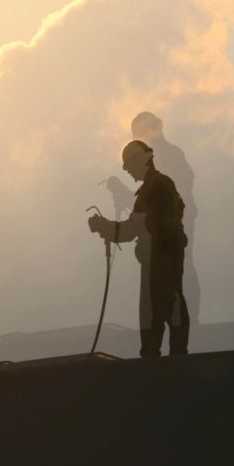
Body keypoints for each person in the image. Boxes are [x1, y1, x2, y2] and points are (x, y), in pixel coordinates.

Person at [88, 140, 190, 358]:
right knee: (169, 310)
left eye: (129, 166)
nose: (128, 171)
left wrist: (102, 226)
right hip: (163, 259)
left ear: (140, 161)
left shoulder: (155, 188)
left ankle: (159, 366)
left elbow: (132, 229)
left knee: (154, 316)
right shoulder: (157, 186)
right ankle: (176, 360)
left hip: (158, 261)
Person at [131, 112, 200, 323]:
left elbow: (182, 183)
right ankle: (176, 319)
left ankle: (185, 319)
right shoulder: (160, 155)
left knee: (180, 266)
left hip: (176, 219)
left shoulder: (166, 155)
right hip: (169, 219)